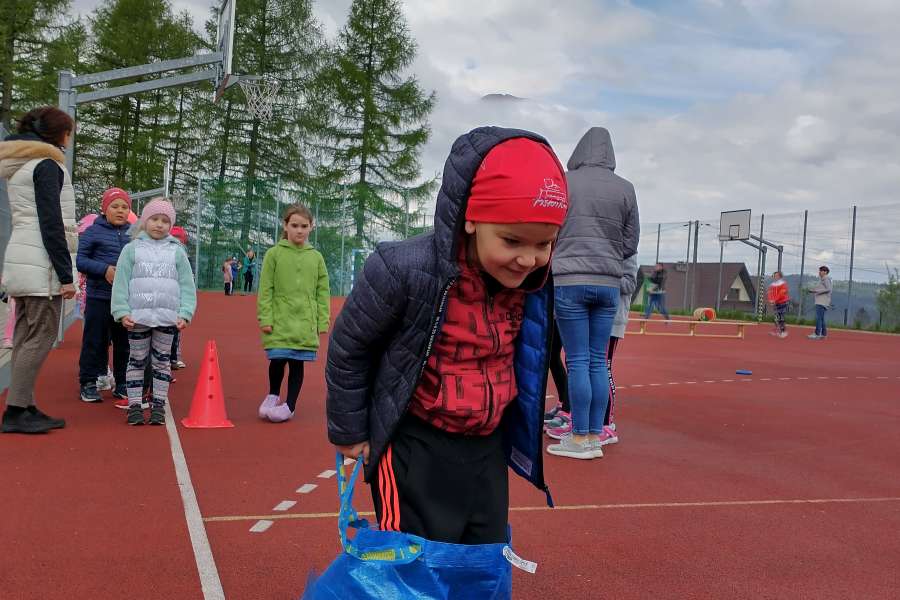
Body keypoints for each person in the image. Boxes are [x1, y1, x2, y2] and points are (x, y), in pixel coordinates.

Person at [327, 128, 567, 547]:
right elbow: (351, 346)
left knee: (483, 557)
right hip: (415, 445)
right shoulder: (403, 269)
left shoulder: (532, 283)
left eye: (544, 243)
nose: (528, 259)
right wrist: (350, 429)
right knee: (414, 564)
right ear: (471, 218)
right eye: (512, 241)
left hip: (487, 445)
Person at [549, 127, 639, 460]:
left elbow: (550, 226)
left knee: (577, 361)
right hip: (609, 284)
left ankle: (579, 437)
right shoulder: (626, 189)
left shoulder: (564, 182)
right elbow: (631, 244)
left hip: (569, 280)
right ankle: (597, 434)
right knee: (598, 361)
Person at [0, 106, 77, 434]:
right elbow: (51, 223)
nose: (70, 139)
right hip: (41, 263)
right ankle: (17, 410)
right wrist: (65, 274)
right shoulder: (47, 166)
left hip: (21, 257)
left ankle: (23, 403)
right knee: (41, 335)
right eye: (69, 133)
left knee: (23, 335)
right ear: (58, 134)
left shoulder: (19, 167)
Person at [111, 198, 196, 426]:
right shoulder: (132, 249)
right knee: (136, 361)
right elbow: (121, 282)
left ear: (171, 225)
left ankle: (158, 405)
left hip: (167, 319)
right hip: (138, 318)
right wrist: (121, 310)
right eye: (155, 219)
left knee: (161, 363)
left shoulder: (177, 252)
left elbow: (188, 285)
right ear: (144, 221)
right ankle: (135, 406)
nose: (159, 225)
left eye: (165, 221)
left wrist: (185, 312)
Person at [257, 205, 330, 423]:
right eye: (294, 225)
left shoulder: (316, 257)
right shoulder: (274, 254)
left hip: (305, 323)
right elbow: (266, 289)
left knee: (297, 363)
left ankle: (290, 406)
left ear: (311, 227)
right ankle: (273, 395)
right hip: (280, 320)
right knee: (278, 359)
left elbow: (323, 291)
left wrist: (322, 320)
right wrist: (265, 317)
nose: (299, 230)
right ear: (285, 226)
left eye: (304, 226)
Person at [76, 187, 133, 403]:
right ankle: (88, 382)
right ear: (104, 209)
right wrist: (105, 269)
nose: (120, 211)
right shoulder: (93, 232)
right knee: (94, 341)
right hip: (99, 296)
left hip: (124, 300)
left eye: (124, 207)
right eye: (115, 206)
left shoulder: (134, 234)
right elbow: (80, 261)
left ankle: (122, 382)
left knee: (124, 342)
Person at [168, 226, 189, 371]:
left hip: (175, 298)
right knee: (169, 330)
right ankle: (171, 359)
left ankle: (173, 358)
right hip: (167, 298)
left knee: (175, 330)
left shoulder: (182, 255)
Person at [807, 265, 832, 340]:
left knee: (818, 318)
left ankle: (817, 334)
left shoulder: (826, 278)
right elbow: (821, 288)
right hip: (821, 301)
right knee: (821, 318)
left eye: (821, 271)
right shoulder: (822, 279)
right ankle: (823, 334)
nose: (819, 272)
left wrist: (816, 291)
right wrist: (813, 290)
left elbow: (828, 289)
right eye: (819, 270)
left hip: (822, 302)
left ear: (825, 272)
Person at [767, 270, 790, 338]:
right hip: (775, 303)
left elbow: (782, 294)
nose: (775, 277)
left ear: (780, 276)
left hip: (783, 302)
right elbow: (770, 293)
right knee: (776, 317)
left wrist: (774, 300)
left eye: (777, 275)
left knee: (781, 317)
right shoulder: (772, 285)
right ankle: (776, 330)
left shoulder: (783, 284)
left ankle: (783, 331)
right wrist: (770, 300)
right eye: (774, 276)